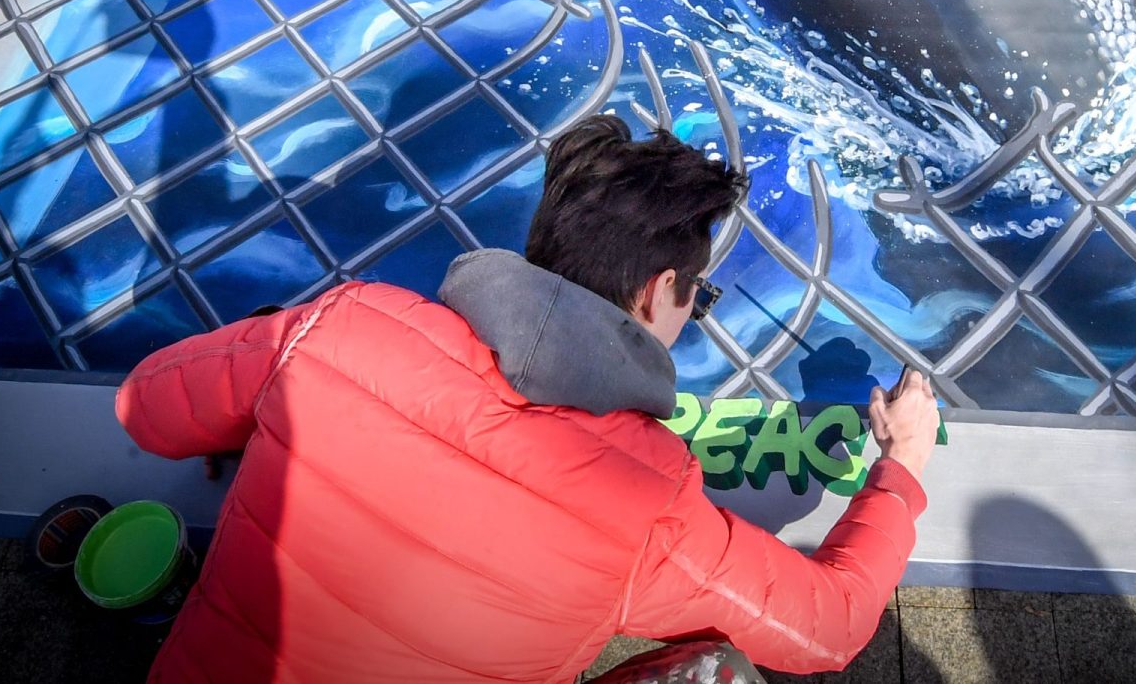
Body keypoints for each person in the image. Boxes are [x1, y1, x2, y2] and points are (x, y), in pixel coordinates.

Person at [115, 114, 939, 682]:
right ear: (659, 294)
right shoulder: (645, 504)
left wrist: (278, 362)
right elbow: (825, 629)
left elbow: (143, 412)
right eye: (701, 297)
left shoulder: (338, 329)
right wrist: (901, 462)